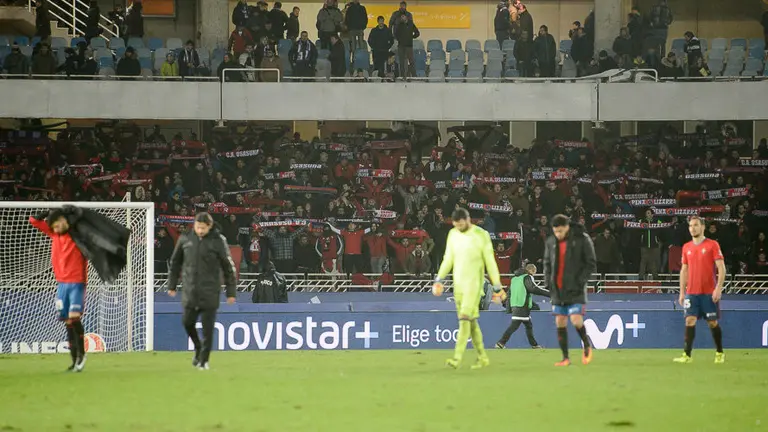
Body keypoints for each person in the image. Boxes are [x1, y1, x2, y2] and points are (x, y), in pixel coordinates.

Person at [167, 212, 237, 371]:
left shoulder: (218, 241)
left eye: (203, 228)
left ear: (209, 226)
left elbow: (228, 267)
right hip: (190, 291)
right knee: (187, 322)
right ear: (194, 225)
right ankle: (198, 347)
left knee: (207, 328)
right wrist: (172, 285)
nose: (200, 231)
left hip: (210, 292)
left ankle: (204, 361)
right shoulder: (185, 238)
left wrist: (231, 292)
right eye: (198, 227)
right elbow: (175, 262)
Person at [434, 208, 502, 370]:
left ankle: (457, 358)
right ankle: (483, 357)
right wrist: (439, 279)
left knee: (464, 319)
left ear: (468, 219)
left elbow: (490, 261)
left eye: (460, 225)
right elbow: (448, 259)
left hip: (474, 285)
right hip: (458, 285)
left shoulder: (481, 235)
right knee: (471, 322)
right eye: (456, 225)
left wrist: (497, 285)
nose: (458, 228)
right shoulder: (453, 234)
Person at [29, 207, 88, 372]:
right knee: (67, 322)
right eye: (53, 226)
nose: (56, 228)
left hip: (77, 282)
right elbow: (33, 220)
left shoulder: (76, 236)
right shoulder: (54, 235)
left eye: (58, 224)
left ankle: (82, 355)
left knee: (74, 317)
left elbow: (81, 218)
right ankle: (74, 360)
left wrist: (69, 213)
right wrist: (47, 213)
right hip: (61, 284)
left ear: (64, 221)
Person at [543, 214, 596, 367]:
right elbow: (547, 263)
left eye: (560, 231)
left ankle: (586, 345)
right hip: (558, 289)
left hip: (576, 289)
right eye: (555, 231)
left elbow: (591, 263)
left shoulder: (582, 239)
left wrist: (581, 281)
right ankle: (565, 358)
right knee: (560, 321)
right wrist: (548, 282)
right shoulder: (551, 241)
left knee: (575, 319)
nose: (558, 234)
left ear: (567, 227)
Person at [674, 216, 726, 364]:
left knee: (712, 323)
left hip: (709, 292)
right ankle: (686, 355)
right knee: (689, 321)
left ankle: (719, 352)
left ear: (703, 227)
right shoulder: (686, 247)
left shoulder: (712, 245)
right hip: (692, 292)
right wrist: (682, 292)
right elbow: (684, 271)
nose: (693, 228)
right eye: (690, 226)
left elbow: (721, 268)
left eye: (696, 225)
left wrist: (718, 288)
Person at [496, 263, 549, 349]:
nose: (534, 274)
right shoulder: (527, 277)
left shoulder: (514, 279)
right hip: (522, 305)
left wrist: (508, 307)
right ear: (532, 270)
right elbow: (533, 289)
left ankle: (534, 345)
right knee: (514, 326)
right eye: (534, 272)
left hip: (515, 305)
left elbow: (509, 294)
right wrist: (549, 294)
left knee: (528, 325)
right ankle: (500, 342)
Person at [394, 13, 420, 79]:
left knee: (411, 61)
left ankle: (414, 76)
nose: (402, 18)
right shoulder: (399, 25)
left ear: (406, 17)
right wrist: (400, 39)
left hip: (409, 46)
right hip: (401, 46)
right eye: (401, 17)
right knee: (402, 62)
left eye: (403, 16)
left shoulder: (411, 24)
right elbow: (396, 34)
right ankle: (403, 76)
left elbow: (417, 33)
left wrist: (412, 37)